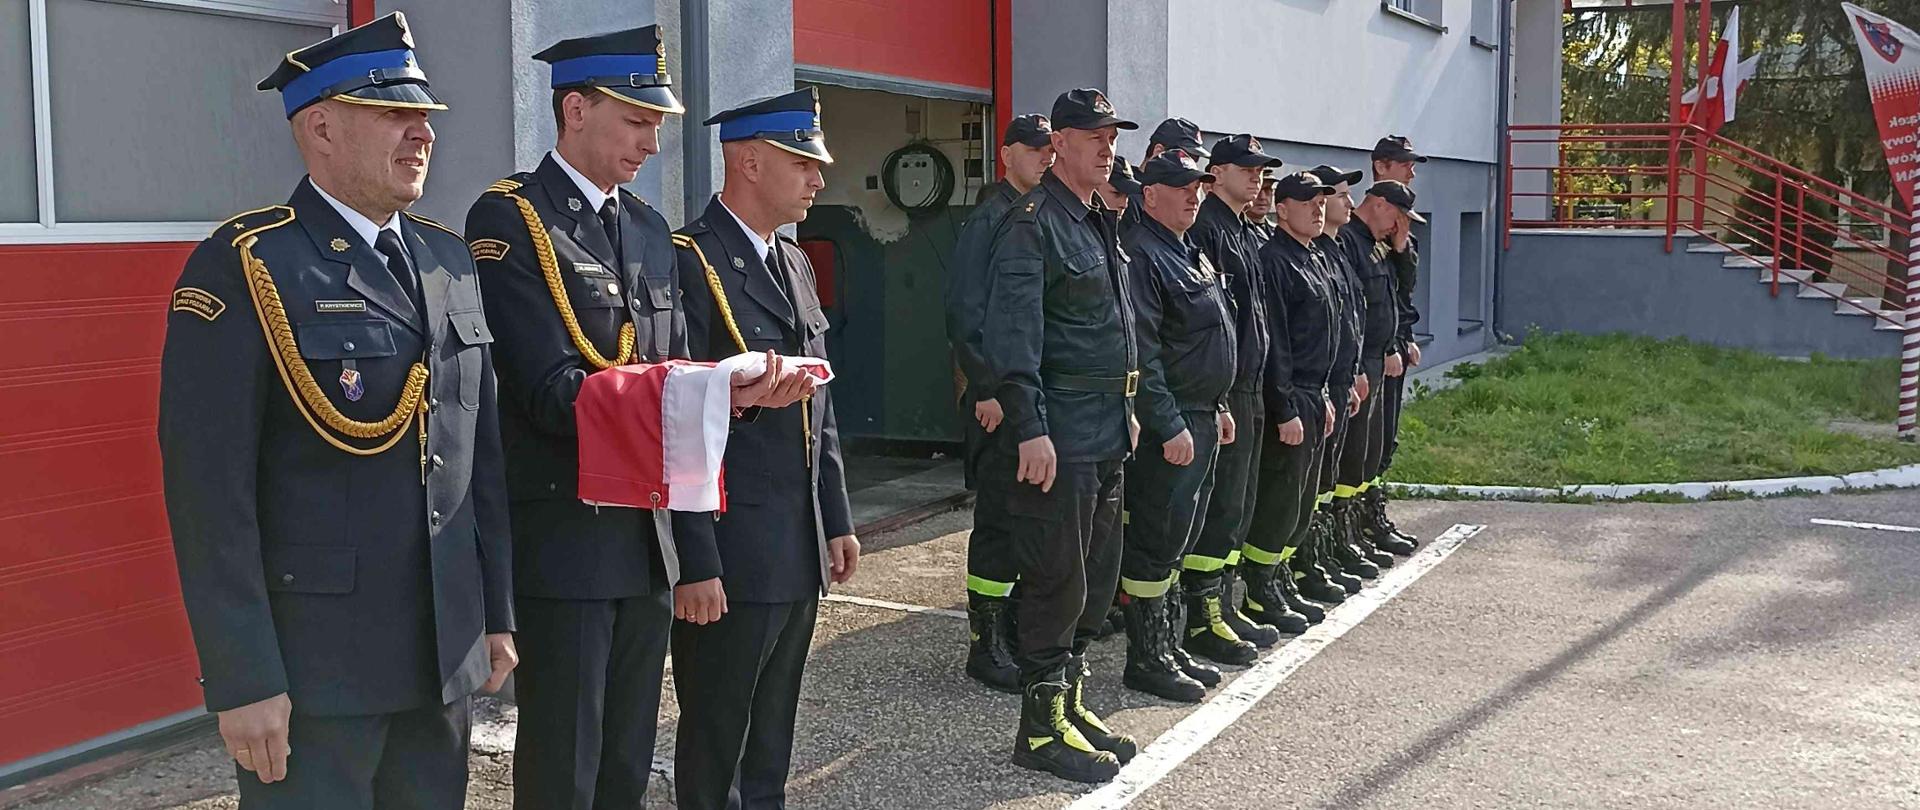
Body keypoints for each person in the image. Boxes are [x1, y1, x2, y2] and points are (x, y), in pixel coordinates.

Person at [158, 13, 516, 808]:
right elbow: (209, 495)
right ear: (320, 128)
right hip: (317, 676)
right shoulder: (248, 265)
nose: (422, 133)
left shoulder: (448, 258)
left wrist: (494, 613)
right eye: (393, 113)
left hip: (441, 657)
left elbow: (477, 459)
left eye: (425, 115)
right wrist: (244, 677)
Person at [459, 26, 808, 809]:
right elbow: (550, 393)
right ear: (575, 110)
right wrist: (713, 390)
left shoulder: (650, 229)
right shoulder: (512, 219)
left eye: (657, 125)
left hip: (646, 545)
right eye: (636, 121)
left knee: (625, 769)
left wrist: (728, 403)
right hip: (567, 538)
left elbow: (674, 379)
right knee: (566, 771)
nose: (652, 143)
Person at [668, 86, 861, 810]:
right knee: (717, 732)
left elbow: (821, 403)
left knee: (772, 731)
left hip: (795, 540)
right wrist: (694, 559)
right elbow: (678, 419)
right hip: (732, 542)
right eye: (802, 163)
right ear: (748, 162)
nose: (817, 179)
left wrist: (835, 518)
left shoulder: (795, 262)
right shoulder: (691, 260)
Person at [980, 87, 1140, 784]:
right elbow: (1012, 336)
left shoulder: (1095, 219)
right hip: (1060, 435)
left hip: (1105, 428)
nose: (1107, 148)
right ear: (1060, 146)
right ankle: (1040, 730)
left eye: (1113, 137)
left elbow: (1111, 327)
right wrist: (1030, 429)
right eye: (1095, 137)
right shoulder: (1033, 224)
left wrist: (1128, 404)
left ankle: (1068, 703)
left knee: (1094, 581)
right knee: (1055, 579)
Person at [1116, 151, 1235, 703]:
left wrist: (1220, 405)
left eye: (1198, 186)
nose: (1194, 195)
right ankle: (1146, 658)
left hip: (1203, 414)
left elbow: (1209, 337)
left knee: (1181, 538)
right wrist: (1167, 424)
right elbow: (1145, 353)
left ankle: (1168, 642)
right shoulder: (1143, 256)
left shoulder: (1187, 249)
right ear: (1150, 195)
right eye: (1182, 186)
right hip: (1176, 421)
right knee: (1156, 539)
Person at [946, 113, 1056, 693]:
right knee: (997, 521)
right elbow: (967, 311)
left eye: (1049, 150)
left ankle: (1010, 629)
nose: (1044, 158)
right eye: (1034, 150)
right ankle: (985, 644)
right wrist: (986, 389)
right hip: (997, 399)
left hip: (1028, 394)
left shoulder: (1039, 215)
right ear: (1007, 154)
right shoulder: (990, 218)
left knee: (1025, 521)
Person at [1182, 134, 1289, 674]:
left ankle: (1222, 604)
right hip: (1226, 389)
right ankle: (1203, 616)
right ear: (1217, 172)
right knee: (1221, 505)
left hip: (1249, 384)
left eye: (1261, 170)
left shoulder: (1244, 229)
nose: (1257, 178)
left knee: (1240, 504)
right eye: (1247, 169)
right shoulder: (1209, 229)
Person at [1240, 172, 1342, 631]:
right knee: (1280, 499)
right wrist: (1285, 407)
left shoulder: (1313, 255)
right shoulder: (1275, 261)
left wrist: (1326, 394)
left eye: (1321, 202)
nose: (1318, 209)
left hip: (1314, 393)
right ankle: (1260, 590)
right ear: (1282, 210)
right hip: (1292, 395)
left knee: (1301, 499)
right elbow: (1275, 342)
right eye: (1307, 202)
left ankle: (1280, 576)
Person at [1364, 136, 1427, 551]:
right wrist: (1387, 345)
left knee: (1385, 440)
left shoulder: (1397, 226)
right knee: (1366, 446)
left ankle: (1373, 513)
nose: (1412, 171)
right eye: (1405, 164)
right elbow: (1365, 302)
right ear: (1381, 166)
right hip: (1372, 355)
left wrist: (1404, 338)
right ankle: (1362, 521)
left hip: (1393, 347)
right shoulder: (1363, 226)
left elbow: (1401, 293)